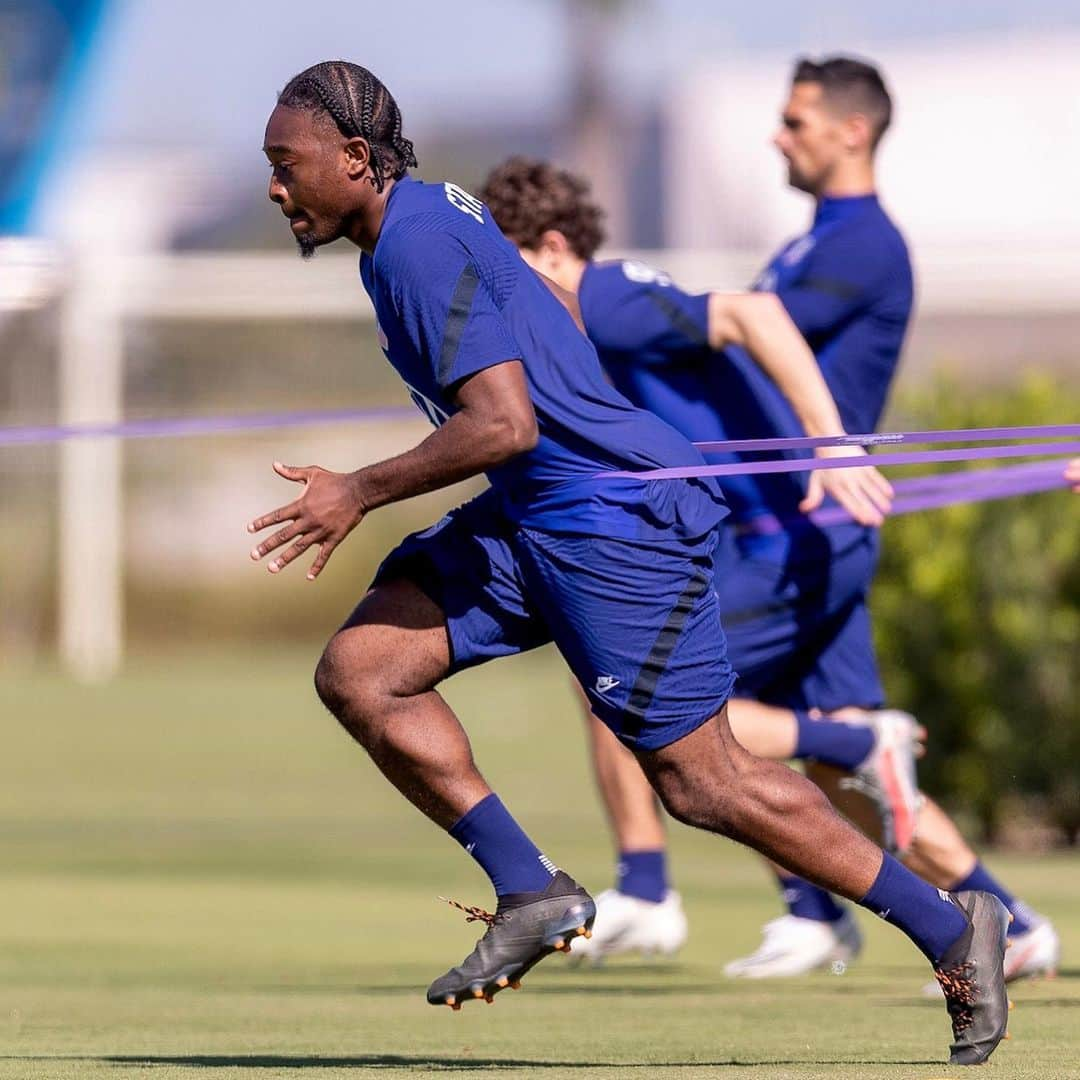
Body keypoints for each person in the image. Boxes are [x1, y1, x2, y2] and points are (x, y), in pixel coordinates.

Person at [250, 60, 1010, 1064]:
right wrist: (586, 405)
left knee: (703, 784)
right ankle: (531, 889)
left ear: (355, 159)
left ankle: (953, 931)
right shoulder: (422, 218)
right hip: (545, 511)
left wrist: (357, 489)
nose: (275, 186)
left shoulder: (417, 246)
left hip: (614, 522)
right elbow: (550, 309)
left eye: (285, 163)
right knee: (362, 672)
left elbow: (505, 423)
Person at [479, 55, 1057, 984]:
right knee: (843, 772)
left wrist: (826, 446)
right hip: (800, 525)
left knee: (633, 687)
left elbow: (750, 326)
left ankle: (655, 888)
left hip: (804, 524)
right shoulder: (814, 242)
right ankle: (1005, 917)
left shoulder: (857, 245)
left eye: (795, 121)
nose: (777, 136)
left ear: (852, 129)